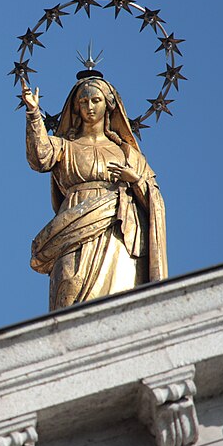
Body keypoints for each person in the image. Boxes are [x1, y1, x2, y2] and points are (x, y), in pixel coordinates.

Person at [20, 74, 167, 310]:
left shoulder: (128, 154)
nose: (90, 107)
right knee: (69, 285)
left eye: (96, 100)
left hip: (118, 229)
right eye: (83, 102)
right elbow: (40, 157)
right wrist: (34, 115)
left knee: (118, 297)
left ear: (108, 105)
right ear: (76, 108)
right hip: (72, 227)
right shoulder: (65, 147)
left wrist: (136, 180)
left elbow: (155, 201)